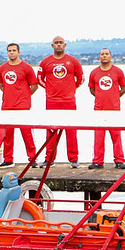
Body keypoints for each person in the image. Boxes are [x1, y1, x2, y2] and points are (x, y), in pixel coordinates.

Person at [37, 35, 84, 168]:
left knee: (71, 130)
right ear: (52, 46)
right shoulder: (45, 62)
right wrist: (50, 89)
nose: (58, 45)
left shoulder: (73, 61)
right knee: (51, 131)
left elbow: (80, 78)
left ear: (65, 45)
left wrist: (71, 89)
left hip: (69, 101)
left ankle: (74, 159)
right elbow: (40, 79)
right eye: (56, 43)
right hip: (51, 101)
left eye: (61, 43)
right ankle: (49, 159)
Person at [0, 43, 38, 169]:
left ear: (19, 52)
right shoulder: (2, 68)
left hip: (23, 106)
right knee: (7, 135)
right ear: (7, 53)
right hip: (7, 106)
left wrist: (25, 96)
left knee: (27, 134)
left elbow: (34, 85)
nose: (12, 53)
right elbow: (1, 85)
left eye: (14, 50)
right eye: (9, 51)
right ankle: (8, 159)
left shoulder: (26, 67)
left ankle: (32, 159)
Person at [88, 48, 125, 170]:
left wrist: (115, 97)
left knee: (116, 135)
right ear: (99, 57)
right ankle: (98, 161)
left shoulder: (118, 71)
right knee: (99, 136)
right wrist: (101, 97)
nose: (104, 56)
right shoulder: (94, 72)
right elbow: (92, 90)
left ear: (111, 56)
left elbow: (124, 88)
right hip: (99, 109)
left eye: (106, 54)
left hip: (114, 108)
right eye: (102, 54)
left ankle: (119, 160)